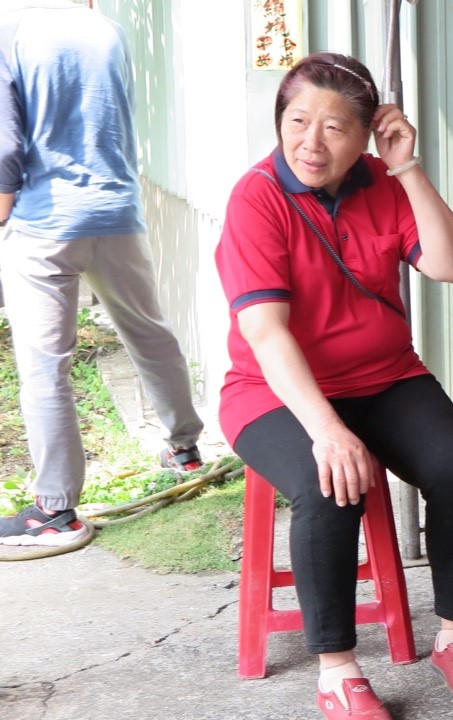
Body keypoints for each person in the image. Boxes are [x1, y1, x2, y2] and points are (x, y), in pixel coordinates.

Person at [215, 53, 453, 718]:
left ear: (367, 134)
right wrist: (327, 430)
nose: (312, 142)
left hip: (384, 376)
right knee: (327, 481)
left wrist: (407, 167)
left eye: (336, 127)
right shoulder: (256, 198)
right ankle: (337, 671)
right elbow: (266, 333)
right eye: (298, 121)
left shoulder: (382, 182)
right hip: (273, 391)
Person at [0, 1, 205, 548]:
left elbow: (5, 146)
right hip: (116, 210)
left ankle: (55, 509)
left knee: (46, 366)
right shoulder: (106, 30)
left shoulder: (9, 32)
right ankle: (185, 449)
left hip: (45, 222)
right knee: (148, 333)